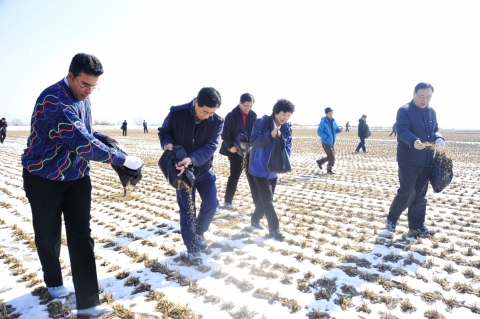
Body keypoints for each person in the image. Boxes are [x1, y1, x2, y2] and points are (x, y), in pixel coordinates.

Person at [20, 53, 144, 316]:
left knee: (81, 236)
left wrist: (105, 137)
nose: (88, 91)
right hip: (44, 177)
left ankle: (88, 304)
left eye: (93, 86)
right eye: (84, 85)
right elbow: (80, 141)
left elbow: (85, 131)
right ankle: (53, 281)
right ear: (70, 76)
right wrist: (122, 159)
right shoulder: (54, 100)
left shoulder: (82, 99)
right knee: (48, 234)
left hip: (76, 177)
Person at [158, 87, 224, 265]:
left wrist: (192, 159)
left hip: (203, 170)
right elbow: (164, 132)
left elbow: (212, 145)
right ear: (196, 102)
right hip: (182, 171)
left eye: (212, 112)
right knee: (188, 210)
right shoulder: (177, 113)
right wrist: (167, 144)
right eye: (204, 111)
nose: (208, 116)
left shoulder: (217, 121)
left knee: (212, 203)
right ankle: (192, 248)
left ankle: (199, 232)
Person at [385, 82, 444, 238]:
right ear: (414, 94)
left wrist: (439, 138)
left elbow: (435, 129)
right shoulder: (404, 111)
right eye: (421, 96)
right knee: (407, 191)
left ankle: (416, 226)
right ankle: (391, 218)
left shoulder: (432, 112)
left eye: (428, 97)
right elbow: (402, 130)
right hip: (408, 159)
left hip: (426, 159)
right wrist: (414, 141)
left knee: (420, 194)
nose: (425, 100)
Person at [248, 99, 295, 240]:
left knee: (266, 199)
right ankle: (274, 229)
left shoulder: (286, 128)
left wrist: (283, 163)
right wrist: (271, 136)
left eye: (288, 116)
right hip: (259, 168)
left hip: (274, 169)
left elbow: (287, 148)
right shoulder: (262, 122)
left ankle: (255, 219)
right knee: (267, 199)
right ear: (276, 112)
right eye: (283, 114)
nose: (285, 118)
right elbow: (254, 140)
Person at [219, 93, 257, 210]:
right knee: (235, 174)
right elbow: (225, 133)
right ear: (240, 103)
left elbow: (255, 132)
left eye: (250, 106)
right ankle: (228, 201)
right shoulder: (231, 115)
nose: (248, 108)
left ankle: (258, 203)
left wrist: (252, 145)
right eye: (246, 105)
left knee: (251, 175)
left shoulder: (253, 115)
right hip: (234, 149)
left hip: (248, 149)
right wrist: (230, 146)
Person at [316, 107, 343, 174]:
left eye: (332, 113)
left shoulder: (334, 121)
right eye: (330, 113)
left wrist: (339, 130)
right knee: (332, 156)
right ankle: (329, 169)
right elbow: (319, 132)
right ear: (326, 113)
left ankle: (320, 162)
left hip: (332, 142)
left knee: (330, 156)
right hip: (325, 142)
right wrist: (327, 137)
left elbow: (335, 130)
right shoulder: (323, 122)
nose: (331, 114)